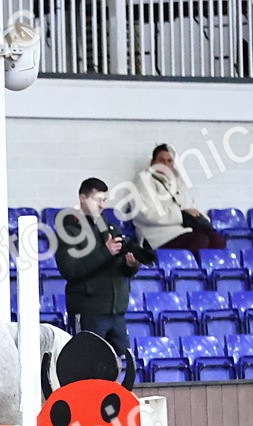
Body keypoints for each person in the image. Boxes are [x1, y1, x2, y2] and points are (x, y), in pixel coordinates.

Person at [56, 177, 141, 358]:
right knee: (87, 363)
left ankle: (111, 388)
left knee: (117, 362)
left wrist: (132, 265)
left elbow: (121, 269)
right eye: (97, 200)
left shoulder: (111, 229)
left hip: (116, 311)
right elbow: (69, 270)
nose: (102, 205)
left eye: (104, 200)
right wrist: (105, 252)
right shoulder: (70, 230)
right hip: (89, 311)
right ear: (82, 199)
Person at [126, 143, 226, 256]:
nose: (166, 164)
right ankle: (189, 273)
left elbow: (187, 207)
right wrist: (181, 215)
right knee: (199, 240)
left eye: (169, 161)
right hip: (155, 235)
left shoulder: (177, 182)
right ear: (153, 162)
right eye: (162, 160)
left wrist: (199, 217)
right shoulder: (143, 182)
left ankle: (211, 272)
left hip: (180, 230)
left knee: (217, 241)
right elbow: (145, 214)